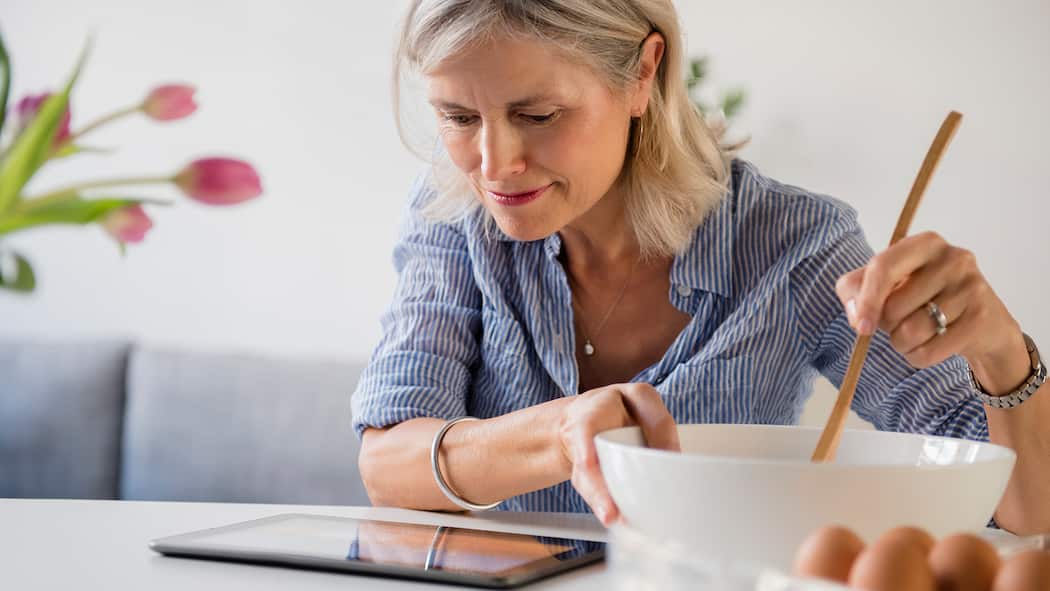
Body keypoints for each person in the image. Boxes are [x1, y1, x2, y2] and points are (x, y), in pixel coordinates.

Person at [352, 0, 1048, 535]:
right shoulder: (454, 212)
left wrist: (1002, 356)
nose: (493, 164)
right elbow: (386, 465)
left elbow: (1025, 510)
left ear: (643, 73)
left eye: (537, 115)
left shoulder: (792, 245)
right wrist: (561, 433)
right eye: (458, 117)